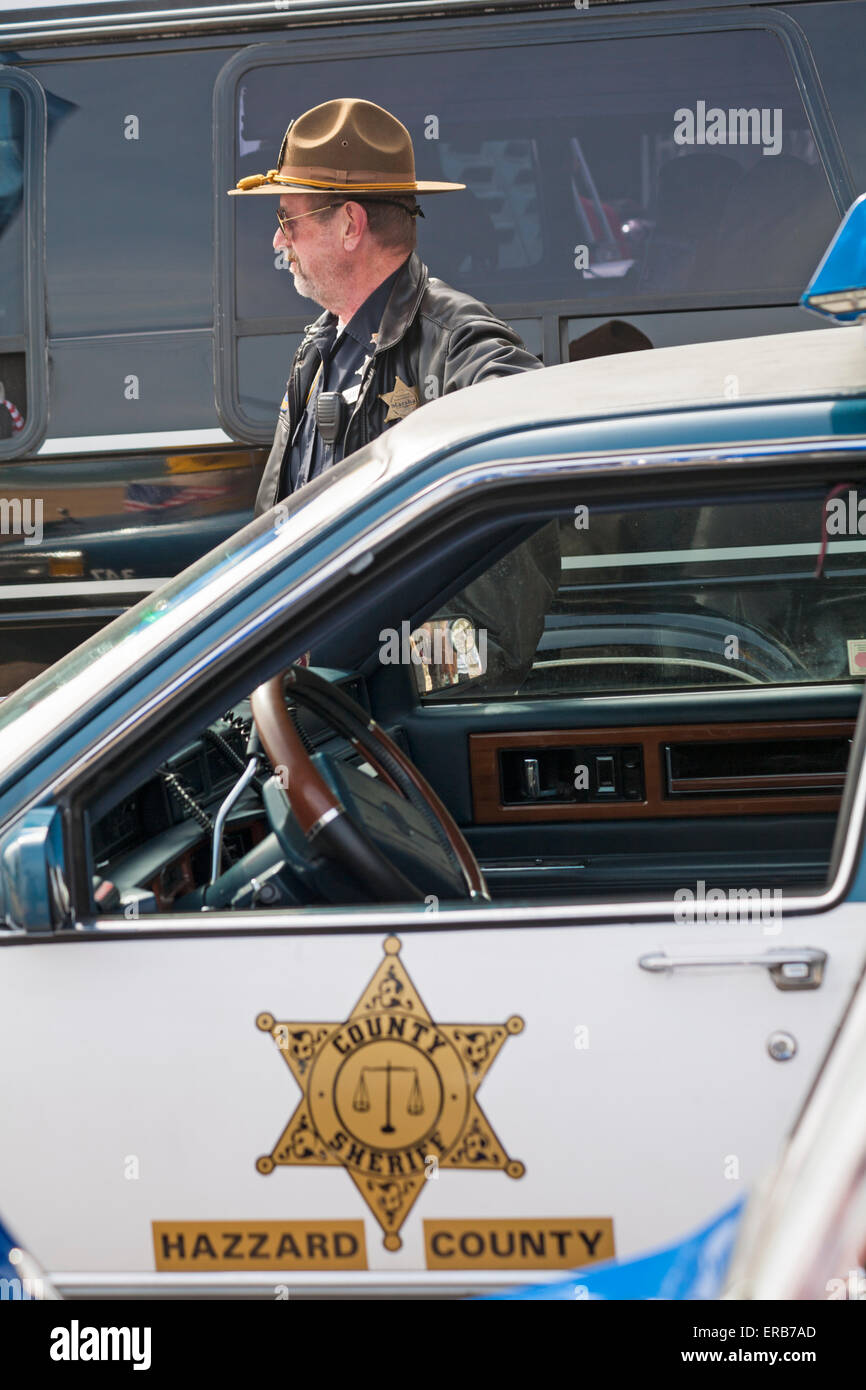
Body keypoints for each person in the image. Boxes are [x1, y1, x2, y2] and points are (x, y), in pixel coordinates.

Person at [228, 97, 542, 515]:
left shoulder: (456, 339)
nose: (278, 240)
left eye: (288, 220)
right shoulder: (320, 345)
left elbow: (532, 432)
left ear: (350, 225)